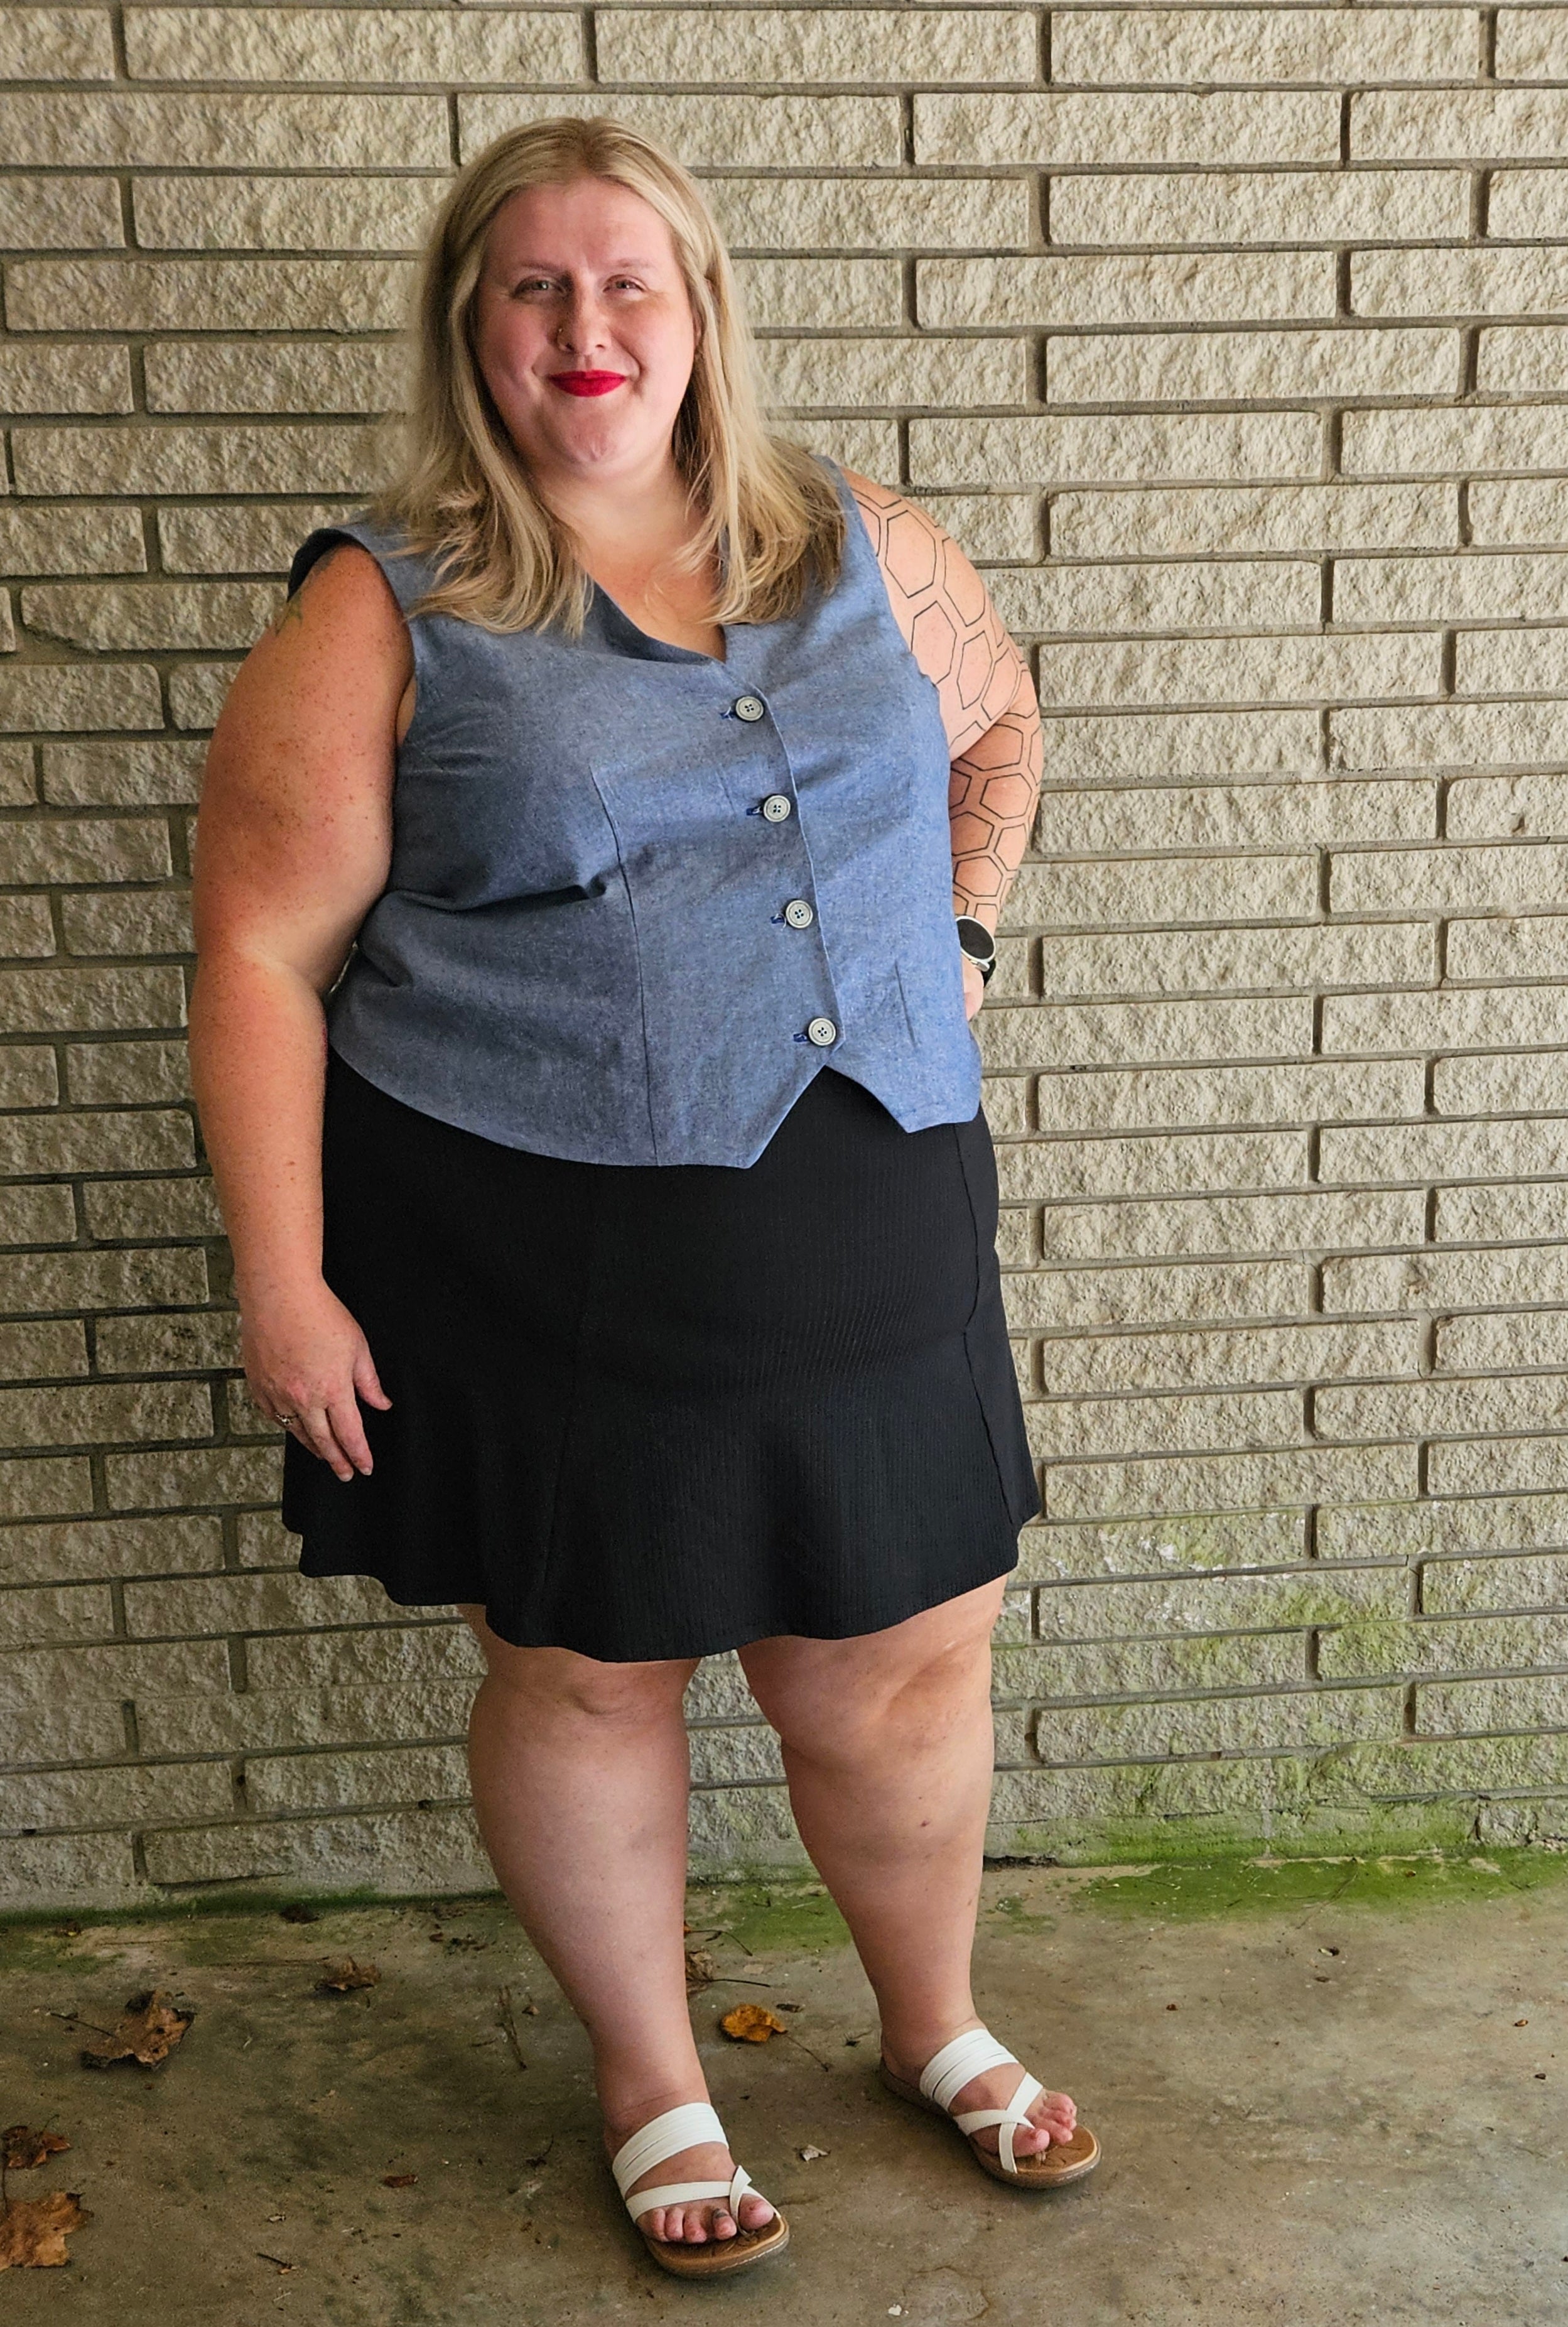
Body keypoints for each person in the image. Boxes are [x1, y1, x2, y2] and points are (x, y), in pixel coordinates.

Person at [188, 112, 1098, 2279]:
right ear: (470, 328)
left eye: (629, 285)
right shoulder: (384, 602)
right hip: (538, 1235)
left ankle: (934, 2022)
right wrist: (287, 1278)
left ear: (699, 316)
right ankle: (650, 2077)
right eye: (533, 287)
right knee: (595, 1662)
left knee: (902, 1648)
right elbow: (258, 950)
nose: (585, 330)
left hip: (869, 1209)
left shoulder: (863, 541)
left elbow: (1003, 734)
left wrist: (954, 946)